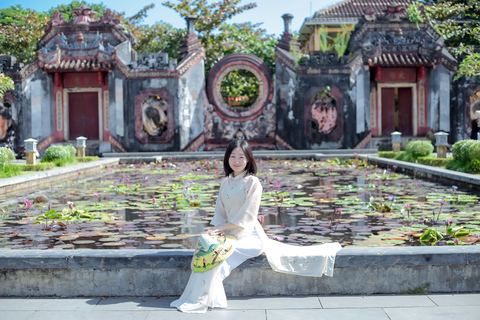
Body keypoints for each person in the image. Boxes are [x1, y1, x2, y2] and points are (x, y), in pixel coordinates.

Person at [170, 140, 342, 313]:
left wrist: (222, 229)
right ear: (227, 158)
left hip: (250, 237)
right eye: (233, 156)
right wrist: (217, 230)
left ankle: (206, 299)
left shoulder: (252, 183)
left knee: (219, 257)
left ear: (248, 160)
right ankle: (204, 298)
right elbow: (220, 213)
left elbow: (248, 217)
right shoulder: (225, 183)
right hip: (229, 234)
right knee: (208, 251)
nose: (236, 161)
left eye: (241, 157)